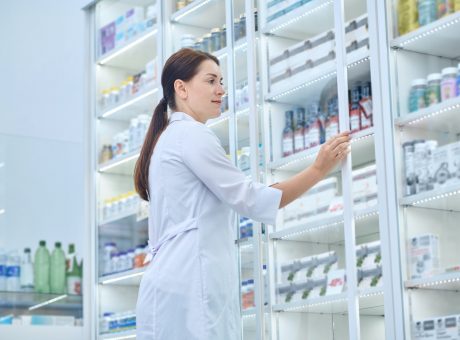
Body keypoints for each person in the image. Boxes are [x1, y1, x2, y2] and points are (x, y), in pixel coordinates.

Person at [134, 48, 350, 340]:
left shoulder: (167, 138)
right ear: (181, 88)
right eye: (211, 81)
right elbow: (251, 199)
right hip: (190, 286)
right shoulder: (191, 135)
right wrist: (318, 170)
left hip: (172, 285)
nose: (221, 90)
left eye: (221, 81)